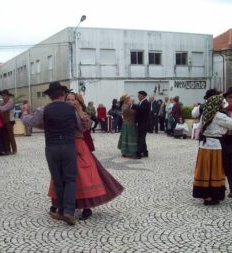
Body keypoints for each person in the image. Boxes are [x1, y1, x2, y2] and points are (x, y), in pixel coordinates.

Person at [49, 92, 124, 220]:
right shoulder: (61, 112)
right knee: (60, 175)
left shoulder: (82, 113)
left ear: (78, 101)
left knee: (83, 177)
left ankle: (86, 207)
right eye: (68, 99)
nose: (71, 102)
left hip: (78, 147)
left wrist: (78, 112)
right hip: (65, 146)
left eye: (73, 100)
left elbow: (85, 127)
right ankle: (58, 203)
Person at [22, 81, 78, 225]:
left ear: (50, 96)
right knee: (70, 179)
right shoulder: (71, 109)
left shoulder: (44, 109)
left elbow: (31, 122)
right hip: (69, 146)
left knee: (58, 180)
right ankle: (69, 211)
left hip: (52, 147)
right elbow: (80, 126)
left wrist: (24, 114)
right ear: (63, 94)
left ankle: (60, 210)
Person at [192, 95, 232, 205]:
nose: (223, 105)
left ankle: (205, 195)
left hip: (204, 147)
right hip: (214, 147)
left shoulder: (205, 114)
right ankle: (212, 196)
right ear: (217, 104)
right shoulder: (219, 116)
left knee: (205, 170)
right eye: (221, 103)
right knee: (214, 171)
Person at [0, 90, 17, 155]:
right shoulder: (2, 102)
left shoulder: (10, 102)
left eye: (4, 95)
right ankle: (7, 150)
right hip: (3, 121)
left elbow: (4, 108)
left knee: (11, 136)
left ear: (8, 96)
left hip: (10, 121)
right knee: (5, 137)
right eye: (2, 95)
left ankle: (14, 150)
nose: (3, 97)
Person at [132, 91, 150, 158]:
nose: (138, 96)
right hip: (141, 123)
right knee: (142, 138)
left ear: (143, 96)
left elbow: (142, 110)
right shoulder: (141, 102)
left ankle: (138, 154)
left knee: (140, 139)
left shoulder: (146, 103)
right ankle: (145, 152)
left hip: (144, 124)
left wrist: (133, 105)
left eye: (139, 95)